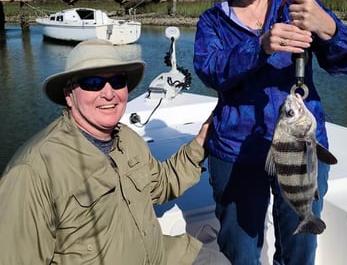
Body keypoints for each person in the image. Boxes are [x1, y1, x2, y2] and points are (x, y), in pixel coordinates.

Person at [193, 0, 347, 265]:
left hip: (301, 145)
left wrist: (328, 27)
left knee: (299, 249)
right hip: (236, 152)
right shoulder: (212, 21)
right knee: (240, 249)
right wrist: (259, 46)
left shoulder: (299, 6)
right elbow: (210, 71)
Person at [0, 39, 230, 265]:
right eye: (92, 82)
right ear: (69, 95)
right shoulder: (31, 172)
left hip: (159, 255)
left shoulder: (128, 139)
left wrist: (201, 141)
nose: (109, 94)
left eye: (117, 81)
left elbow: (161, 184)